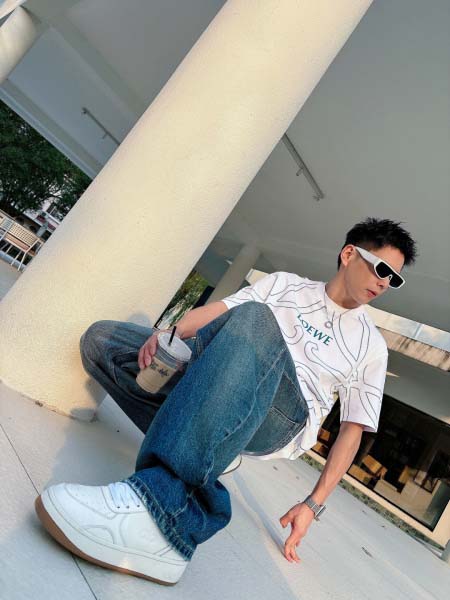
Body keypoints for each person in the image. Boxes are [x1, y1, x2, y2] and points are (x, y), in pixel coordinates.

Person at [34, 217, 417, 586]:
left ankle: (163, 515)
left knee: (255, 319)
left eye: (395, 279)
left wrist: (312, 505)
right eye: (382, 269)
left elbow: (352, 431)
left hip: (283, 416)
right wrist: (168, 334)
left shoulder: (371, 345)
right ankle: (211, 443)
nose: (385, 283)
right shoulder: (286, 284)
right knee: (104, 340)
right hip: (221, 373)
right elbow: (219, 312)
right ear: (349, 254)